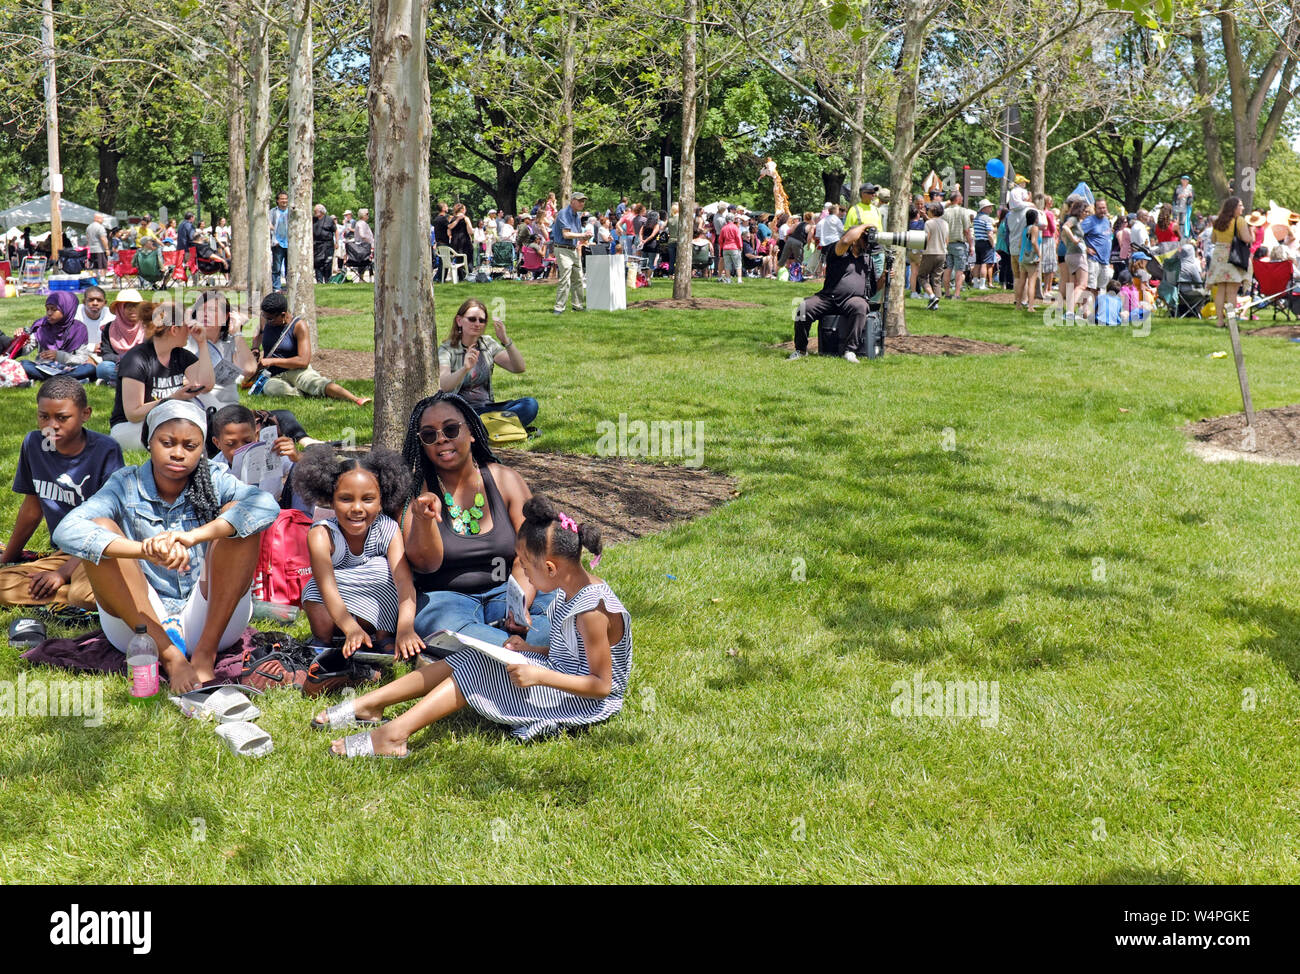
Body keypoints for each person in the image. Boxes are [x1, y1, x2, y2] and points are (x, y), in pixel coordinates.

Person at [320, 492, 630, 756]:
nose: (521, 571)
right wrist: (533, 648)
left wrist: (539, 675)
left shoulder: (592, 611)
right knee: (472, 655)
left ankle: (393, 735)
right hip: (559, 674)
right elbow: (572, 649)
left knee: (477, 669)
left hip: (582, 701)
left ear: (550, 567)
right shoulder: (570, 587)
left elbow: (602, 686)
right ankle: (370, 705)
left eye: (524, 564)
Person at [53, 399, 279, 693]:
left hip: (210, 621)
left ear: (202, 449)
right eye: (167, 442)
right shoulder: (125, 483)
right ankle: (171, 658)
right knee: (101, 529)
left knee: (240, 519)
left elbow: (266, 506)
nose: (177, 453)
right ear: (149, 442)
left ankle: (204, 657)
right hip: (140, 627)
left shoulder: (213, 478)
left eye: (190, 446)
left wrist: (196, 536)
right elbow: (66, 530)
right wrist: (143, 550)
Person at [399, 392, 556, 648]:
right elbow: (425, 564)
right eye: (429, 435)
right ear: (422, 445)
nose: (441, 439)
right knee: (456, 635)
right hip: (445, 602)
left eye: (451, 429)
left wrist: (520, 604)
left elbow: (531, 551)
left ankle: (494, 654)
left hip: (507, 589)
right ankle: (522, 653)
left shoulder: (505, 479)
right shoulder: (415, 493)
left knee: (567, 621)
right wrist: (423, 520)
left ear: (471, 432)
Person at [0, 377, 124, 610]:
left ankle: (78, 597)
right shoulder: (33, 444)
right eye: (44, 416)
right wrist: (8, 558)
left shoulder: (106, 450)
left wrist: (61, 574)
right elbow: (32, 508)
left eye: (62, 418)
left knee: (84, 595)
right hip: (66, 551)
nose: (52, 425)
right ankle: (85, 598)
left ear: (85, 414)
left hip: (98, 551)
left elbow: (113, 524)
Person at [295, 447, 422, 661]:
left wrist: (406, 628)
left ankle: (383, 635)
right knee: (314, 589)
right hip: (334, 606)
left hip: (372, 603)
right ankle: (325, 640)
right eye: (345, 499)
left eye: (368, 499)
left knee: (384, 570)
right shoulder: (321, 534)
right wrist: (349, 626)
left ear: (382, 501)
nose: (357, 508)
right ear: (330, 500)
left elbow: (403, 582)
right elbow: (328, 587)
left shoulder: (388, 529)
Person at [108, 301, 215, 450]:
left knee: (206, 402)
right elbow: (133, 413)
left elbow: (207, 385)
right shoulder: (137, 359)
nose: (190, 331)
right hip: (130, 428)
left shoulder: (180, 355)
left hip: (165, 419)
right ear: (174, 330)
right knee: (182, 430)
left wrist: (202, 343)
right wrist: (172, 399)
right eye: (187, 325)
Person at [251, 291, 372, 406]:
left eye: (270, 318)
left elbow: (303, 361)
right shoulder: (266, 319)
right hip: (273, 375)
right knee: (271, 389)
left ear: (283, 315)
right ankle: (307, 394)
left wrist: (272, 361)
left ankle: (356, 399)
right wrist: (255, 349)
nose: (267, 320)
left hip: (297, 371)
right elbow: (258, 332)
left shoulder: (299, 326)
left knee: (316, 383)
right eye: (264, 316)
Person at [438, 298, 536, 426]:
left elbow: (519, 367)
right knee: (462, 423)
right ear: (459, 321)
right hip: (461, 412)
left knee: (530, 404)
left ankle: (486, 428)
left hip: (487, 409)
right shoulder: (447, 349)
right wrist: (464, 369)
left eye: (482, 320)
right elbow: (444, 385)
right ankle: (497, 427)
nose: (477, 323)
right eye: (472, 319)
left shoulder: (487, 343)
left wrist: (506, 341)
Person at [788, 220, 877, 362]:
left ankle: (850, 350)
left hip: (852, 300)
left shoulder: (867, 259)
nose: (866, 240)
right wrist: (866, 225)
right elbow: (846, 240)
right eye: (863, 237)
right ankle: (800, 350)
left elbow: (873, 289)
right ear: (854, 240)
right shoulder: (838, 252)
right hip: (828, 298)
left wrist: (884, 277)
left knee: (861, 306)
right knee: (803, 306)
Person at [187, 290, 258, 409]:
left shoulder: (231, 341)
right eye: (201, 310)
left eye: (211, 310)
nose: (205, 314)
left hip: (229, 406)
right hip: (198, 404)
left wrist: (237, 333)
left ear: (225, 317)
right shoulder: (187, 341)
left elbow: (249, 370)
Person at [21, 292, 97, 383]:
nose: (49, 313)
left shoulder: (79, 329)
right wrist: (21, 341)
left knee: (90, 368)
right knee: (23, 364)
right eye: (47, 309)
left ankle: (51, 379)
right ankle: (65, 379)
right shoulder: (42, 325)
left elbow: (82, 358)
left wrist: (60, 356)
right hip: (44, 367)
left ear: (67, 309)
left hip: (69, 368)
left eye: (54, 309)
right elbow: (26, 350)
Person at [1205, 195, 1254, 330]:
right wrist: (1252, 233)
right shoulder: (1239, 221)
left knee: (1221, 289)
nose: (1242, 208)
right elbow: (1246, 238)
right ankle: (1231, 320)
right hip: (1233, 257)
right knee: (1232, 292)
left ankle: (1220, 320)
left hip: (1219, 256)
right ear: (1234, 208)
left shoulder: (1217, 221)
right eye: (1240, 205)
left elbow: (1214, 240)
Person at [95, 288, 146, 386]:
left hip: (142, 364)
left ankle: (119, 381)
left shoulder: (147, 326)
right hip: (118, 365)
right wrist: (125, 359)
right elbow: (107, 355)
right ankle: (134, 381)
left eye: (136, 306)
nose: (133, 310)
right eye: (128, 307)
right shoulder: (109, 328)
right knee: (103, 368)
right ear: (120, 309)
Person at [551, 190, 591, 314]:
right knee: (565, 279)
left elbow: (576, 236)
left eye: (583, 201)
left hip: (573, 249)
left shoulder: (577, 216)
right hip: (562, 249)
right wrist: (582, 234)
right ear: (572, 201)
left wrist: (585, 238)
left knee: (578, 278)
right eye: (579, 201)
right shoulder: (563, 213)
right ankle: (559, 308)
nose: (582, 203)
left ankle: (578, 305)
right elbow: (566, 234)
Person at [1080, 198, 1114, 318]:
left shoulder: (1107, 221)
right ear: (1095, 209)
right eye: (1099, 208)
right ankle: (1085, 311)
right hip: (1093, 259)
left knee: (1100, 288)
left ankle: (1096, 311)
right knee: (1090, 286)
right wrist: (1085, 248)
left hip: (1105, 260)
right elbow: (1076, 234)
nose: (1102, 210)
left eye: (1104, 208)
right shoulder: (1089, 221)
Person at [1058, 198, 1088, 321]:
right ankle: (1070, 312)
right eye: (1085, 211)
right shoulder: (1073, 219)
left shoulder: (1077, 221)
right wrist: (1074, 241)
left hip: (1071, 255)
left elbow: (1062, 235)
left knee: (1074, 285)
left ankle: (1071, 312)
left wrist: (1068, 243)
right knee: (1082, 285)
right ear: (1080, 211)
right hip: (1077, 256)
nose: (1087, 213)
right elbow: (1065, 228)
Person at [941, 189, 974, 299]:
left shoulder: (945, 212)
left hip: (947, 244)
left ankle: (947, 293)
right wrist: (971, 245)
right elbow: (967, 230)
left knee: (948, 268)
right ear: (958, 199)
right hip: (959, 244)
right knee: (959, 270)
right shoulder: (963, 211)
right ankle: (957, 294)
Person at [1017, 209, 1041, 313]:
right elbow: (1034, 242)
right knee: (1032, 283)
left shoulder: (1025, 229)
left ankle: (1018, 304)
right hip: (1031, 259)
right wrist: (1039, 254)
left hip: (1022, 258)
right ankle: (1030, 306)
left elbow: (1019, 244)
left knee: (1021, 282)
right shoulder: (1034, 228)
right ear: (1036, 218)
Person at [270, 192, 290, 291]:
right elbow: (268, 223)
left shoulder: (291, 211)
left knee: (289, 267)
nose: (284, 201)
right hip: (277, 243)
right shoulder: (273, 212)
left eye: (286, 199)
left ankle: (288, 287)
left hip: (290, 243)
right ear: (277, 200)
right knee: (276, 267)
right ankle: (276, 287)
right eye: (282, 199)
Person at [312, 204, 337, 283]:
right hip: (317, 244)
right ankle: (319, 280)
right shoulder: (313, 219)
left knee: (328, 262)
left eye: (316, 211)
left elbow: (335, 231)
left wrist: (337, 242)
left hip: (328, 244)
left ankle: (327, 280)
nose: (315, 212)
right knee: (317, 262)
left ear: (321, 211)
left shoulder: (329, 219)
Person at [718, 213, 743, 284]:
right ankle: (739, 280)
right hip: (734, 247)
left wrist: (722, 246)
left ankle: (728, 280)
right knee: (738, 264)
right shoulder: (735, 227)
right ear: (733, 219)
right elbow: (738, 238)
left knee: (727, 265)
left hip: (725, 248)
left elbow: (720, 240)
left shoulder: (723, 228)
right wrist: (740, 246)